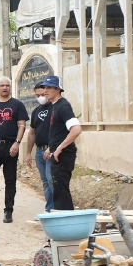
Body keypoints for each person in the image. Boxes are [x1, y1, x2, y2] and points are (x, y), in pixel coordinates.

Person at [0, 76, 29, 223]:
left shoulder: (17, 105)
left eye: (7, 85)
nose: (5, 88)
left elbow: (22, 125)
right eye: (2, 85)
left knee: (10, 180)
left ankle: (8, 210)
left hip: (11, 146)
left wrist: (17, 143)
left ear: (11, 87)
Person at [42, 75, 81, 210]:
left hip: (64, 155)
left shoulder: (63, 106)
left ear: (58, 89)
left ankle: (68, 221)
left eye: (49, 87)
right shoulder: (55, 106)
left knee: (61, 190)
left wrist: (59, 149)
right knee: (58, 189)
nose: (45, 91)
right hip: (57, 153)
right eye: (44, 87)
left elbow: (76, 130)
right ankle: (64, 219)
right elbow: (59, 132)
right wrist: (51, 148)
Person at [25, 83, 53, 213]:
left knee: (51, 179)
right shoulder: (36, 111)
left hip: (52, 151)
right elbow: (32, 133)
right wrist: (29, 153)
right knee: (45, 182)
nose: (40, 97)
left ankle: (57, 208)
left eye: (42, 94)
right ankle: (49, 209)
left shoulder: (56, 108)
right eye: (37, 95)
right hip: (40, 151)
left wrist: (53, 147)